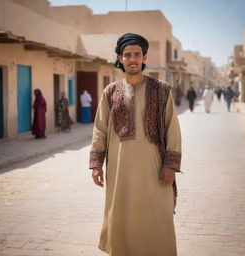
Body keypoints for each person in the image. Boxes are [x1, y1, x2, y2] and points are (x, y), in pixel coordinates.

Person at [89, 33, 181, 256]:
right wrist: (95, 164)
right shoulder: (110, 92)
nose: (132, 59)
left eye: (137, 54)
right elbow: (100, 128)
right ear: (120, 58)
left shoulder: (161, 90)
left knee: (157, 217)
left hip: (154, 171)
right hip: (120, 172)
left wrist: (170, 165)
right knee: (122, 218)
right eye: (127, 55)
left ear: (144, 57)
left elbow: (173, 129)